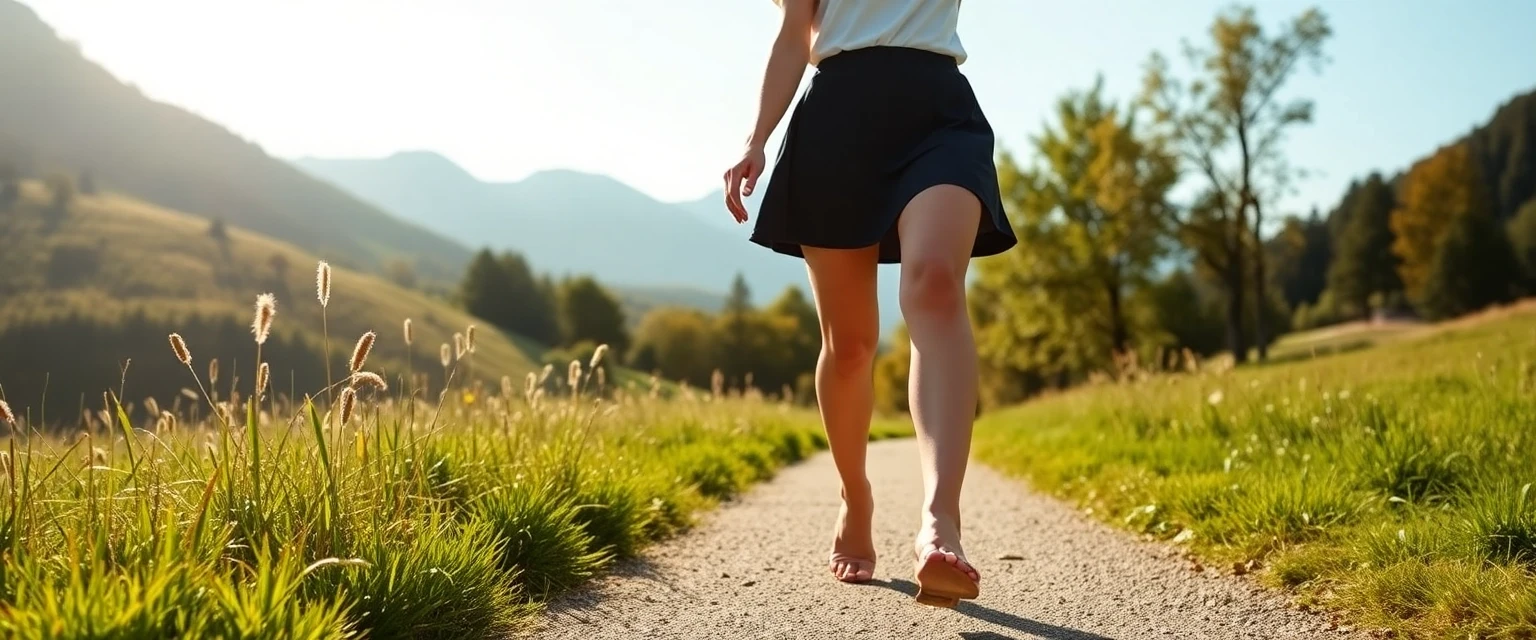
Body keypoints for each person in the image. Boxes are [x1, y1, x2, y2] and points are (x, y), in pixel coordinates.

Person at [722, 0, 1017, 609]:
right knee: (851, 346)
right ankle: (855, 495)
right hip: (837, 119)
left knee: (935, 285)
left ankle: (940, 522)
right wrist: (756, 139)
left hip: (938, 112)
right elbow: (793, 35)